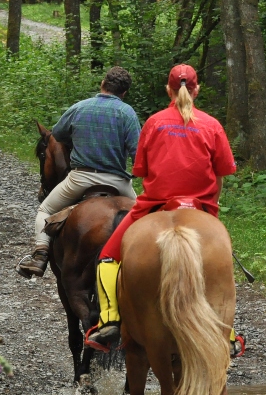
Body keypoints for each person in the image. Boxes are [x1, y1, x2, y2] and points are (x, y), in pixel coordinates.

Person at [85, 64, 237, 351]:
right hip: (200, 208)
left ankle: (109, 322)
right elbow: (220, 175)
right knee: (223, 264)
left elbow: (141, 170)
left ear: (168, 90)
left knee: (107, 258)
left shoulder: (154, 123)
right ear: (197, 89)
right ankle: (227, 334)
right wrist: (209, 206)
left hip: (154, 206)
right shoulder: (212, 125)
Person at [15, 66, 141, 278]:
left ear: (103, 84)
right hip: (118, 182)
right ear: (124, 93)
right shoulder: (127, 113)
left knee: (45, 211)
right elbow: (138, 155)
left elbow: (58, 135)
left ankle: (40, 255)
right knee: (146, 218)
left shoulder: (80, 108)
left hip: (81, 178)